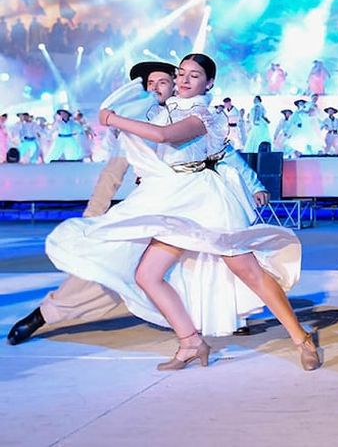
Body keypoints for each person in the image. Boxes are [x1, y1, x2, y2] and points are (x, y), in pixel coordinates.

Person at [44, 54, 321, 371]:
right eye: (181, 74)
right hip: (175, 200)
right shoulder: (163, 110)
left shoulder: (205, 115)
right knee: (147, 275)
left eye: (194, 75)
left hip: (206, 200)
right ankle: (191, 343)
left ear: (209, 83)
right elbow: (150, 137)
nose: (185, 79)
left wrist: (113, 119)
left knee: (248, 271)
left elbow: (165, 136)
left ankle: (302, 339)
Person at [8, 62, 270, 345]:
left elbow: (223, 154)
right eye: (149, 83)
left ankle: (226, 317)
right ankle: (46, 313)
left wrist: (255, 184)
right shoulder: (138, 123)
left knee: (213, 259)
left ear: (175, 83)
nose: (155, 88)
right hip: (153, 207)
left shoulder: (190, 115)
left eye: (162, 81)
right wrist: (93, 217)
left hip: (193, 203)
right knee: (111, 264)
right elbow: (112, 174)